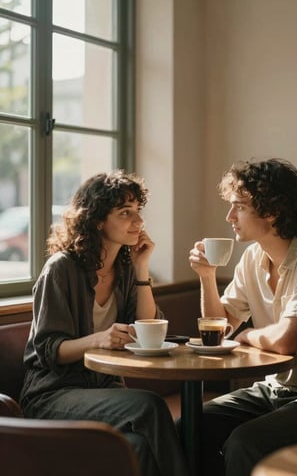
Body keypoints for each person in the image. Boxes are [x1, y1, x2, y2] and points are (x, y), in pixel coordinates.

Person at [188, 158, 297, 476]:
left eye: (239, 207)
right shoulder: (253, 256)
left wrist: (245, 336)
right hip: (273, 389)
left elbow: (287, 341)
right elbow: (218, 325)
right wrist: (206, 276)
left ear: (271, 211)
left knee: (246, 442)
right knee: (192, 425)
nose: (229, 217)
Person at [20, 170, 188, 476]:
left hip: (104, 388)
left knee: (137, 445)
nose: (137, 222)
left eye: (138, 212)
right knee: (150, 406)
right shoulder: (61, 269)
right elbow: (46, 350)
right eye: (125, 213)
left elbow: (148, 328)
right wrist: (98, 339)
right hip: (51, 394)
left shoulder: (125, 268)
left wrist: (141, 267)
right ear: (97, 219)